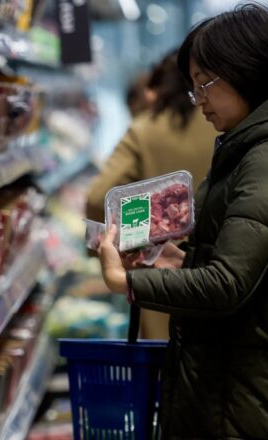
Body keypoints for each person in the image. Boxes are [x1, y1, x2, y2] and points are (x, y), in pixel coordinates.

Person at [96, 3, 268, 439]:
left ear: (245, 71)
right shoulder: (251, 147)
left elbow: (228, 283)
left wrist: (124, 281)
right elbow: (250, 262)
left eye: (204, 84)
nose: (199, 101)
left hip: (256, 405)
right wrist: (179, 259)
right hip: (243, 390)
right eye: (193, 88)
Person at [87, 51, 217, 339]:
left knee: (167, 367)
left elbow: (98, 198)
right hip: (224, 276)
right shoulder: (223, 123)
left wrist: (130, 237)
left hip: (161, 278)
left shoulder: (145, 129)